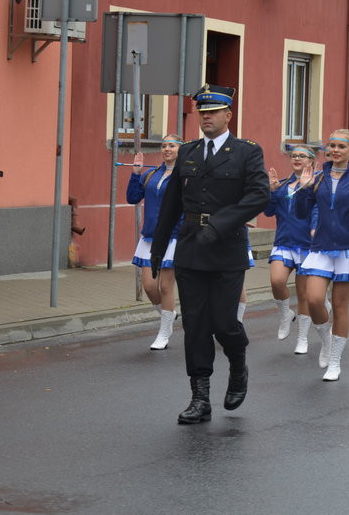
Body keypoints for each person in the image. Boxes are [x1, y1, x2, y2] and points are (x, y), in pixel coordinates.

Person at [151, 84, 270, 423]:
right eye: (202, 112)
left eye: (213, 112)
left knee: (223, 322)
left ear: (228, 115)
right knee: (195, 325)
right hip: (190, 247)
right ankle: (200, 397)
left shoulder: (247, 152)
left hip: (226, 247)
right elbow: (172, 204)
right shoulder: (187, 152)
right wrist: (160, 249)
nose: (206, 117)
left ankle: (238, 363)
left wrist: (219, 225)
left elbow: (259, 195)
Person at [295, 129, 349, 382]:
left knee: (340, 306)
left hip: (348, 249)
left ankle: (335, 362)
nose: (335, 150)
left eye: (342, 146)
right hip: (320, 247)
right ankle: (326, 340)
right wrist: (303, 189)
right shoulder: (317, 178)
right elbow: (301, 213)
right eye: (332, 146)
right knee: (314, 299)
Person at [126, 134, 183, 350]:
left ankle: (164, 332)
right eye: (164, 145)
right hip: (150, 237)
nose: (167, 149)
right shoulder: (151, 174)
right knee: (149, 286)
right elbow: (132, 198)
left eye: (172, 145)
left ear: (180, 150)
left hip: (173, 237)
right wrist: (135, 173)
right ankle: (169, 315)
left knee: (166, 287)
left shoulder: (184, 177)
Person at [264, 146, 322, 353]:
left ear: (312, 161)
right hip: (284, 242)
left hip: (307, 245)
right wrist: (271, 191)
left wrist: (315, 228)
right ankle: (286, 314)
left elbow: (317, 209)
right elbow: (269, 212)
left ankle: (303, 338)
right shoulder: (284, 185)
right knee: (276, 281)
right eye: (294, 156)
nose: (297, 159)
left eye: (302, 156)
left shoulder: (317, 184)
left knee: (303, 294)